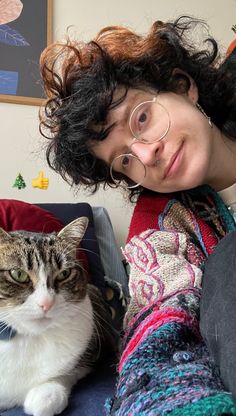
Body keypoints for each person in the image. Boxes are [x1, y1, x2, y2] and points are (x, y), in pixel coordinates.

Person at [39, 16, 236, 414]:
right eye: (125, 160)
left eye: (141, 118)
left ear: (183, 87)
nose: (147, 154)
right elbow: (157, 329)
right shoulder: (160, 225)